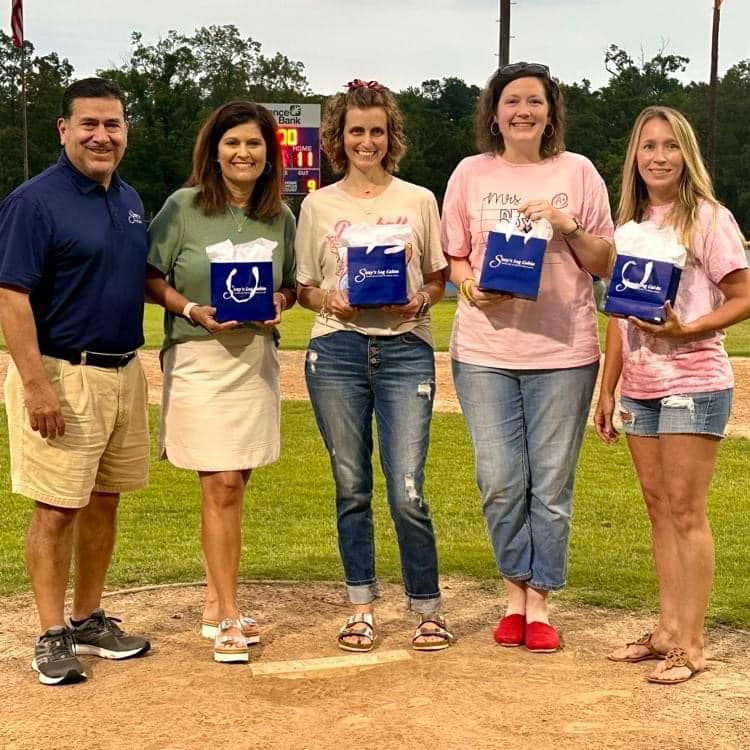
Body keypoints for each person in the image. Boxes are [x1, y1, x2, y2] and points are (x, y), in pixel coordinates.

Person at [441, 62, 614, 652]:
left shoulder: (580, 172)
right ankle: (512, 587)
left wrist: (567, 224)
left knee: (551, 485)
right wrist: (467, 287)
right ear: (494, 113)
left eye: (534, 101)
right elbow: (456, 257)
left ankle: (537, 602)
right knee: (499, 479)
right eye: (512, 101)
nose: (523, 111)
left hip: (565, 351)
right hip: (486, 347)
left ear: (550, 112)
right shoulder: (470, 173)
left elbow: (604, 264)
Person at [0, 78, 151, 686]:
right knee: (56, 507)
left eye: (112, 125)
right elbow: (11, 298)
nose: (102, 136)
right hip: (64, 371)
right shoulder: (34, 201)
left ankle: (88, 617)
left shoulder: (131, 199)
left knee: (105, 500)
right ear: (63, 130)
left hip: (124, 369)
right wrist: (36, 386)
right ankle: (49, 631)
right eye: (88, 124)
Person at [594, 106, 750, 684]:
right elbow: (618, 314)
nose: (658, 156)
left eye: (670, 146)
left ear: (687, 155)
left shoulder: (708, 218)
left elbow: (742, 295)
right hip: (641, 386)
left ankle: (692, 642)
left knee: (686, 512)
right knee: (658, 509)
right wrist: (606, 389)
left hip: (694, 380)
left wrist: (688, 329)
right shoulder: (628, 225)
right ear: (635, 156)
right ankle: (665, 630)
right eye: (648, 146)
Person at [296, 79, 453, 652]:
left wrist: (420, 300)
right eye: (356, 131)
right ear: (339, 137)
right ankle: (361, 605)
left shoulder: (417, 200)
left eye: (377, 131)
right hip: (336, 349)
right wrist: (328, 300)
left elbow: (438, 280)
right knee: (352, 485)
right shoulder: (318, 204)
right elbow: (306, 288)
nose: (368, 142)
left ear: (392, 137)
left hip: (405, 348)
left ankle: (426, 607)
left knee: (407, 489)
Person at [145, 101, 296, 664]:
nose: (243, 153)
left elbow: (290, 286)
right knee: (222, 484)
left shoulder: (280, 215)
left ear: (267, 154)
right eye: (232, 143)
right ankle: (229, 616)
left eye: (254, 144)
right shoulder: (182, 207)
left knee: (237, 482)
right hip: (199, 355)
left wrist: (279, 301)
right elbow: (150, 276)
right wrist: (191, 311)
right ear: (214, 150)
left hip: (254, 357)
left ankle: (215, 599)